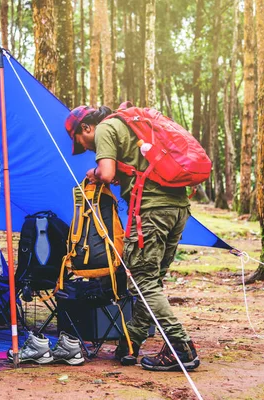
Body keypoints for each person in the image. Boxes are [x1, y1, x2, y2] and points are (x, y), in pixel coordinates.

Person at [64, 105, 200, 372]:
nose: (86, 148)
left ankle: (181, 346)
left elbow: (106, 173)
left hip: (151, 212)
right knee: (150, 281)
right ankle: (131, 343)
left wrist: (93, 174)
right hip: (178, 209)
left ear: (86, 128)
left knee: (143, 281)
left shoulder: (105, 128)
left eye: (80, 141)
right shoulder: (129, 127)